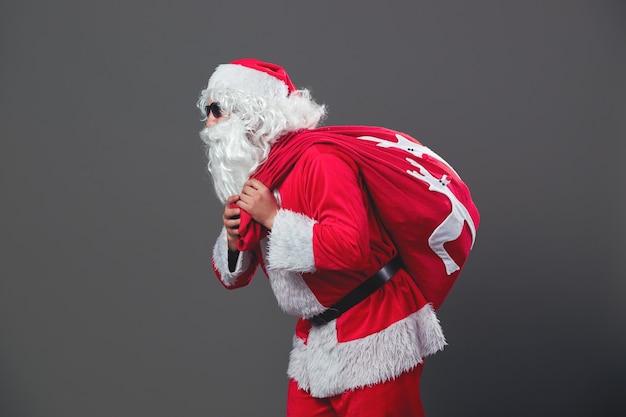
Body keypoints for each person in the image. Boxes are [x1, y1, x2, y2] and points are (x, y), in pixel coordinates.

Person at [197, 58, 479, 417]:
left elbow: (351, 247)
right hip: (316, 339)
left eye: (217, 110)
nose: (208, 123)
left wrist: (273, 218)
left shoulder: (319, 159)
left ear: (252, 110)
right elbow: (232, 277)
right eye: (207, 110)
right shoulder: (263, 174)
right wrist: (235, 241)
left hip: (374, 325)